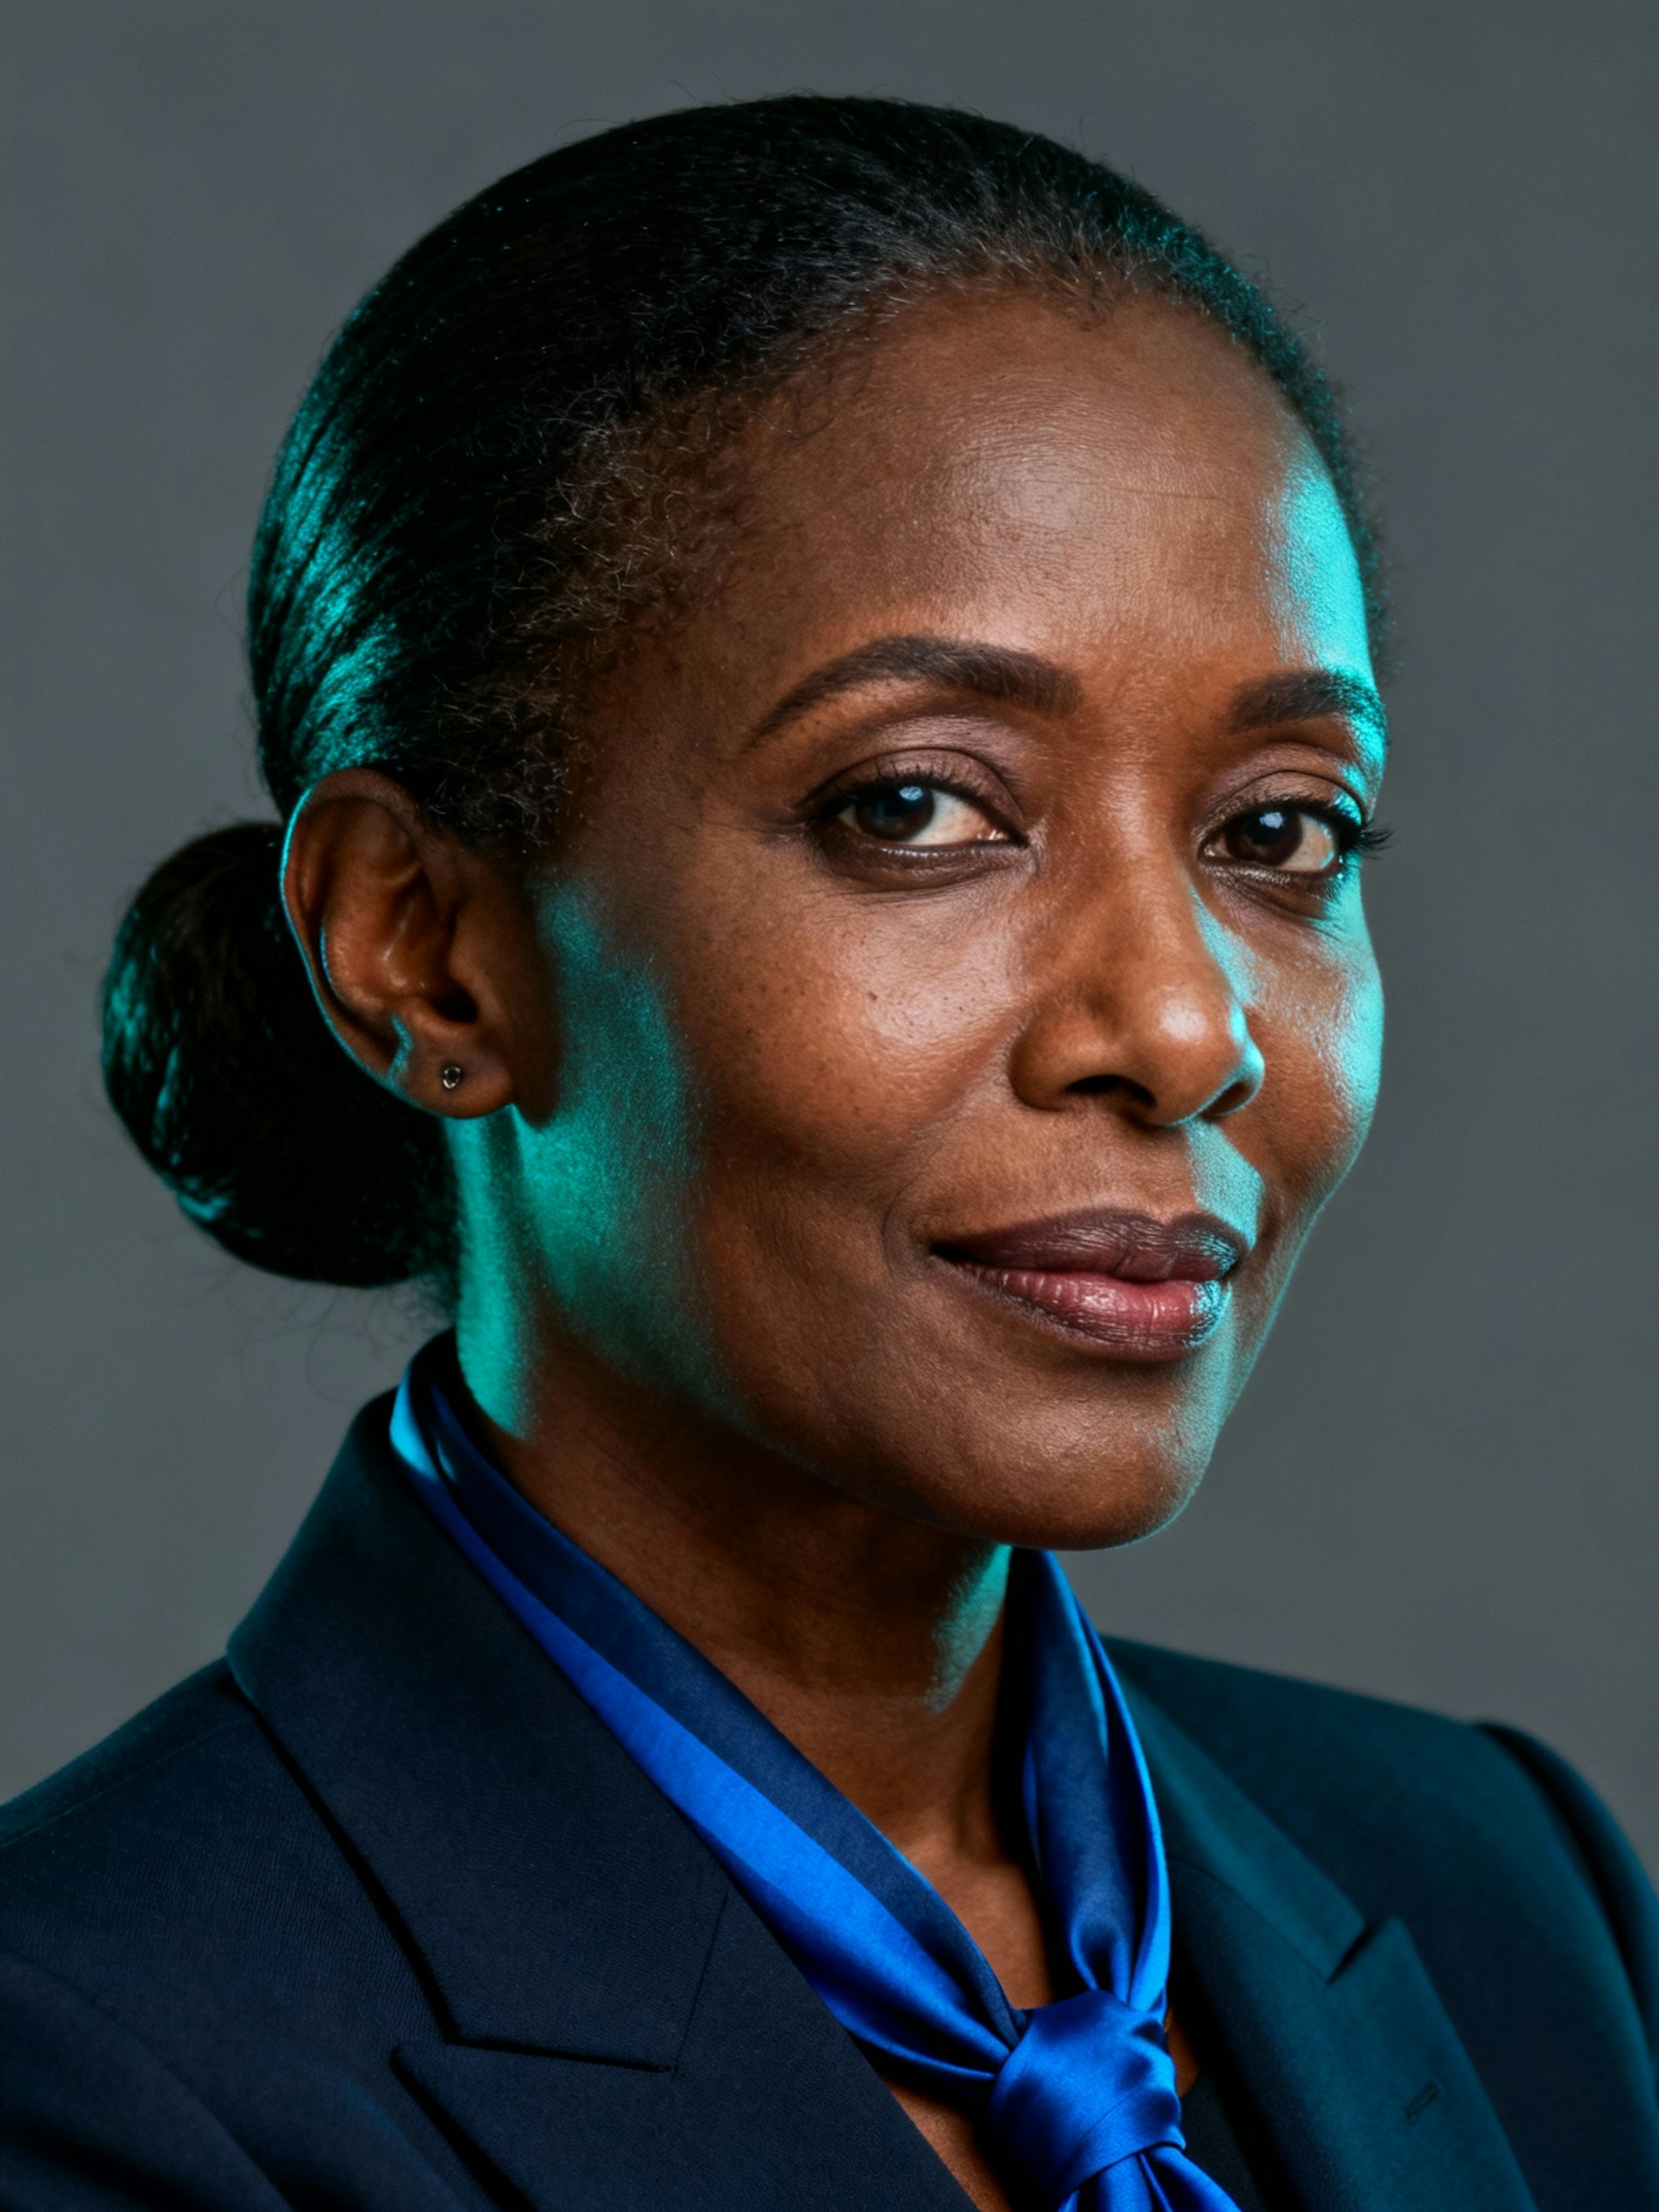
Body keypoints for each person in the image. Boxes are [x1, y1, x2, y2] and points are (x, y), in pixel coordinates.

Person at [1, 96, 1653, 2212]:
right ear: (427, 949)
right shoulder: (89, 2080)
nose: (1178, 1025)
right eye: (918, 808)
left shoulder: (1511, 1899)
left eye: (1279, 835)